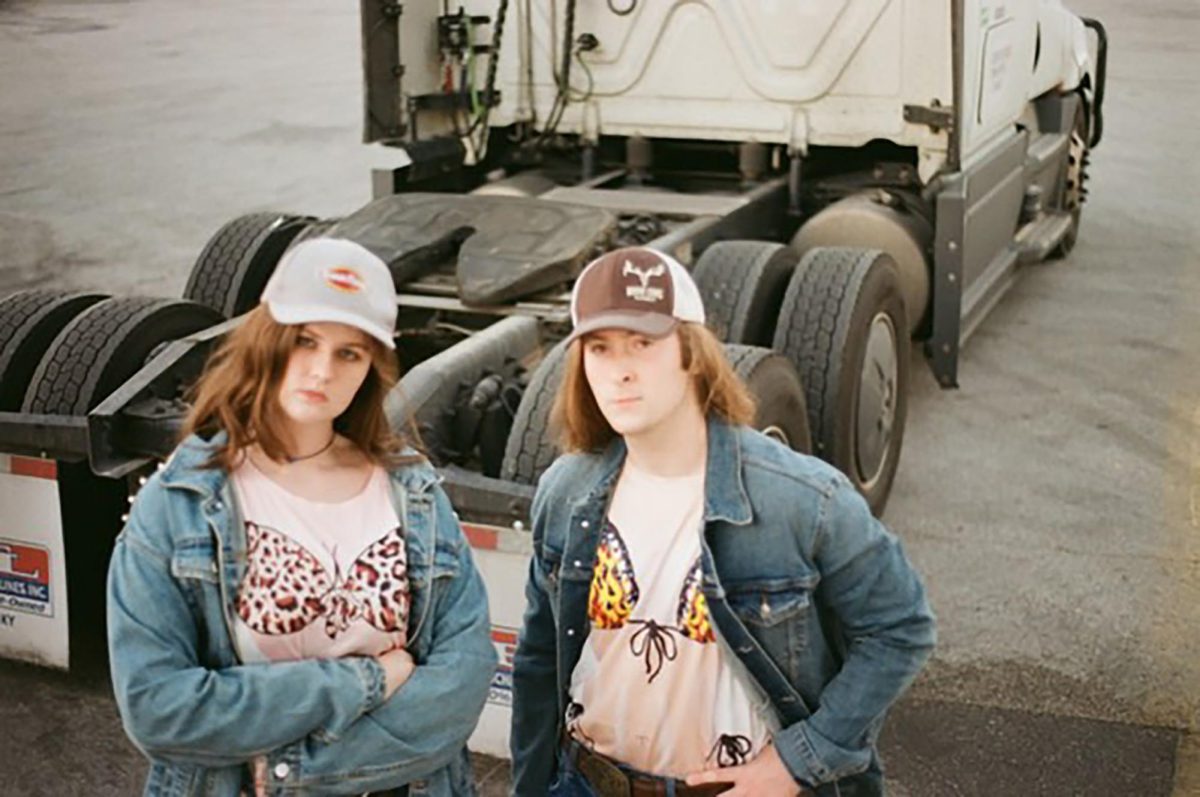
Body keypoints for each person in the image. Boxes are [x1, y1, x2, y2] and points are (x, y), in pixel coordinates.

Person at [510, 247, 936, 796]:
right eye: (599, 348)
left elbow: (900, 627)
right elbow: (540, 657)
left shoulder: (802, 499)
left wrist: (797, 761)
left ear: (691, 352)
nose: (620, 370)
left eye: (643, 343)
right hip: (587, 780)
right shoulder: (566, 491)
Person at [107, 237, 497, 797]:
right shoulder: (181, 502)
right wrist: (366, 679)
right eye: (305, 340)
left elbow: (460, 684)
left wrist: (296, 771)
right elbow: (159, 709)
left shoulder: (412, 492)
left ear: (371, 367)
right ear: (267, 339)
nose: (321, 370)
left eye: (349, 353)